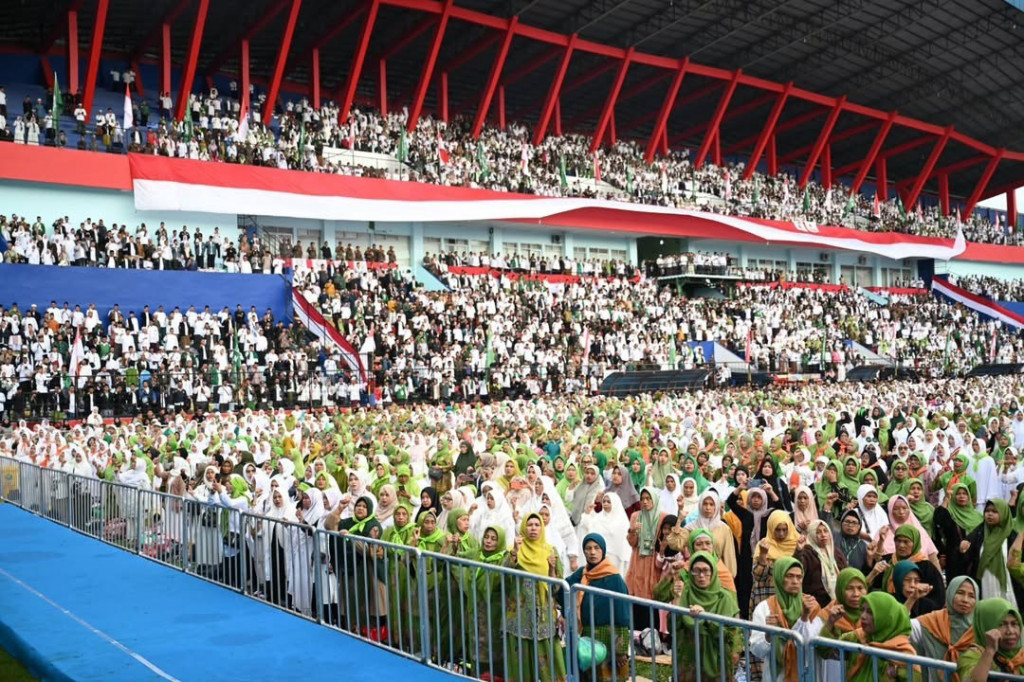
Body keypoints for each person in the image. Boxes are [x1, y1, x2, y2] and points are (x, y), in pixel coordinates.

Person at [655, 550, 742, 682]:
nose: (701, 576)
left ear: (713, 572)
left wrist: (707, 619)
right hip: (688, 661)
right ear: (690, 573)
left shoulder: (724, 598)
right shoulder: (685, 593)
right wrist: (671, 576)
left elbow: (730, 635)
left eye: (706, 571)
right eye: (696, 571)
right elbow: (660, 600)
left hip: (716, 662)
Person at [505, 512, 565, 682]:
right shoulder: (515, 549)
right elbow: (504, 574)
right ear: (524, 527)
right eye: (529, 525)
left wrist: (552, 569)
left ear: (542, 528)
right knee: (521, 660)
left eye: (537, 525)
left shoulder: (550, 551)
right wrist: (515, 553)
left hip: (544, 615)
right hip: (520, 614)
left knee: (549, 660)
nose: (533, 528)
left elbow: (556, 587)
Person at [566, 533, 631, 682]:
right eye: (588, 548)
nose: (592, 552)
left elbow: (622, 615)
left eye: (596, 548)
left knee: (606, 676)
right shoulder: (583, 574)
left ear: (603, 550)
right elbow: (562, 589)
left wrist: (620, 650)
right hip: (587, 635)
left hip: (609, 636)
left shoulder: (613, 577)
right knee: (588, 676)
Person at [750, 557, 818, 682]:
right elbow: (756, 650)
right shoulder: (765, 608)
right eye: (789, 576)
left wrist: (805, 616)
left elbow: (814, 645)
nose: (795, 581)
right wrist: (769, 635)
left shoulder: (811, 605)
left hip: (805, 674)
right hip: (777, 676)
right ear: (780, 578)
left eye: (799, 577)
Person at [838, 592, 920, 682]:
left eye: (870, 612)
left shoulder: (903, 652)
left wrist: (897, 672)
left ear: (886, 618)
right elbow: (827, 651)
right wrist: (830, 622)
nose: (863, 616)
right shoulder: (859, 637)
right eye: (862, 610)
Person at [911, 577, 978, 678]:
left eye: (971, 596)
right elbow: (903, 627)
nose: (965, 600)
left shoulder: (979, 628)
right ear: (950, 593)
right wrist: (912, 599)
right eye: (960, 593)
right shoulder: (934, 621)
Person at [956, 597, 1024, 680]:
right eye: (1001, 624)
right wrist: (990, 650)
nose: (1010, 631)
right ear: (986, 626)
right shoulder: (971, 657)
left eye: (1014, 624)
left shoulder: (1020, 656)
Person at [796, 519, 847, 608]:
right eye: (818, 532)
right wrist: (799, 552)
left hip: (838, 602)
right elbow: (798, 571)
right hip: (816, 605)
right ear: (811, 534)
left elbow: (846, 573)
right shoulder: (807, 553)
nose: (823, 535)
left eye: (825, 531)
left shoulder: (836, 552)